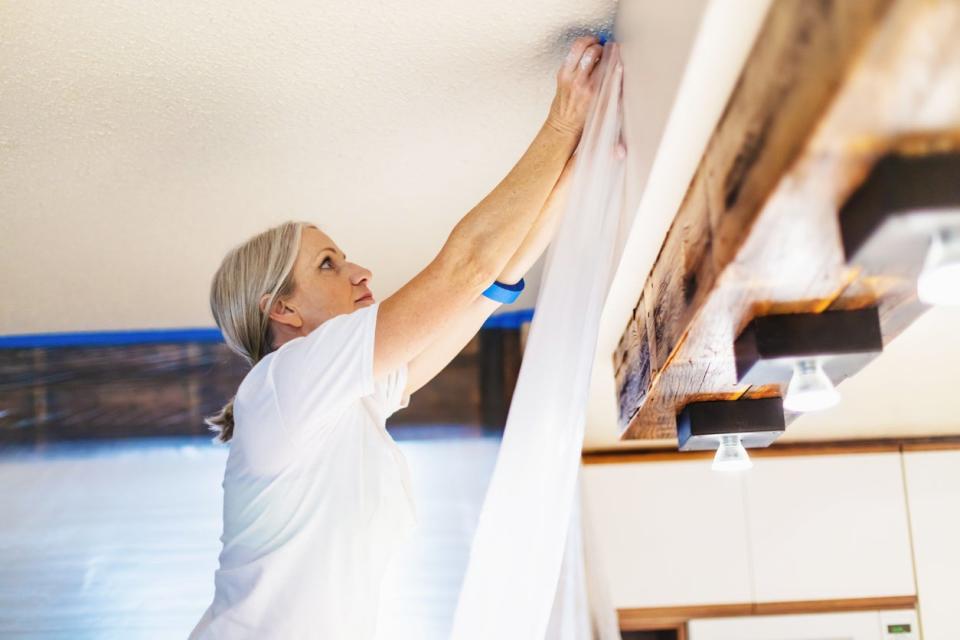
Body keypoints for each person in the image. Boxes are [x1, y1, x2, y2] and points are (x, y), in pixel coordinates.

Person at [189, 36, 607, 639]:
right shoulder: (285, 382)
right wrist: (563, 121)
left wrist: (580, 167)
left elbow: (484, 291)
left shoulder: (342, 403)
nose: (362, 273)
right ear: (282, 308)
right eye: (329, 265)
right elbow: (463, 269)